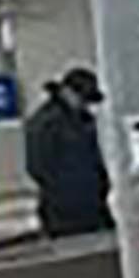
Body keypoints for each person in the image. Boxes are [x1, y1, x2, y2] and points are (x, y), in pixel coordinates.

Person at [24, 68, 114, 238]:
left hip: (91, 205)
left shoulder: (81, 120)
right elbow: (38, 166)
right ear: (67, 92)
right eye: (82, 99)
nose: (85, 105)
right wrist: (63, 189)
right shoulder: (47, 123)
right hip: (64, 210)